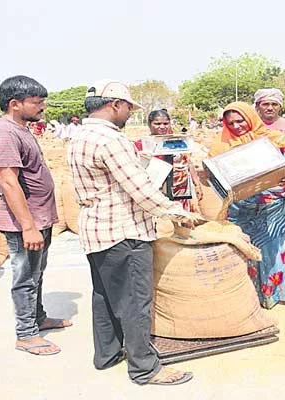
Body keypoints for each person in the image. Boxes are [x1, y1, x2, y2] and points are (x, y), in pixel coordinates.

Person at [67, 79, 196, 386]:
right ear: (115, 105)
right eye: (127, 107)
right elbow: (140, 189)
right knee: (135, 299)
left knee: (105, 295)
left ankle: (108, 354)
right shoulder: (111, 140)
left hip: (97, 228)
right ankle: (144, 368)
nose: (128, 114)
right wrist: (177, 212)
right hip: (124, 230)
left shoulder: (79, 135)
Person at [0, 75, 71, 356]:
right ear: (15, 104)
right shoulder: (4, 134)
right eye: (37, 102)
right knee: (25, 278)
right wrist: (28, 227)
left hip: (38, 219)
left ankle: (38, 317)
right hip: (25, 222)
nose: (42, 107)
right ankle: (26, 334)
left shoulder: (20, 129)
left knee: (36, 273)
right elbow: (9, 182)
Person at [208, 101, 285, 309]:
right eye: (231, 123)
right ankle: (249, 297)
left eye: (240, 121)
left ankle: (276, 295)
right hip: (242, 210)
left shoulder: (274, 140)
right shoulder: (221, 146)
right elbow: (213, 177)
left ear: (250, 118)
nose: (236, 127)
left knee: (275, 250)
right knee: (245, 250)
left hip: (276, 209)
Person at [134, 109, 202, 212]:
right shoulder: (141, 145)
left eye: (165, 123)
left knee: (183, 219)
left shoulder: (179, 142)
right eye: (157, 123)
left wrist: (197, 185)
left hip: (179, 191)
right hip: (156, 193)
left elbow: (188, 163)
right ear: (149, 124)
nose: (162, 127)